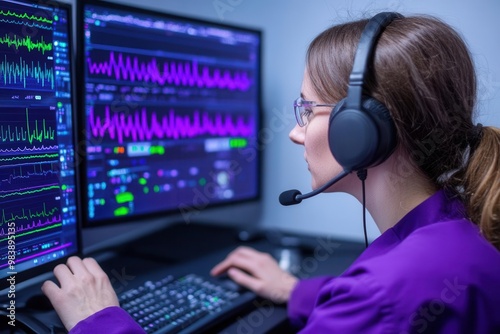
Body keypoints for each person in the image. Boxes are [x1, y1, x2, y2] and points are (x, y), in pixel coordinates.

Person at [42, 13, 500, 333]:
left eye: (307, 110)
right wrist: (295, 291)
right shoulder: (457, 226)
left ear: (362, 130)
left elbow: (382, 301)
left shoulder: (387, 293)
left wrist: (97, 319)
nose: (295, 134)